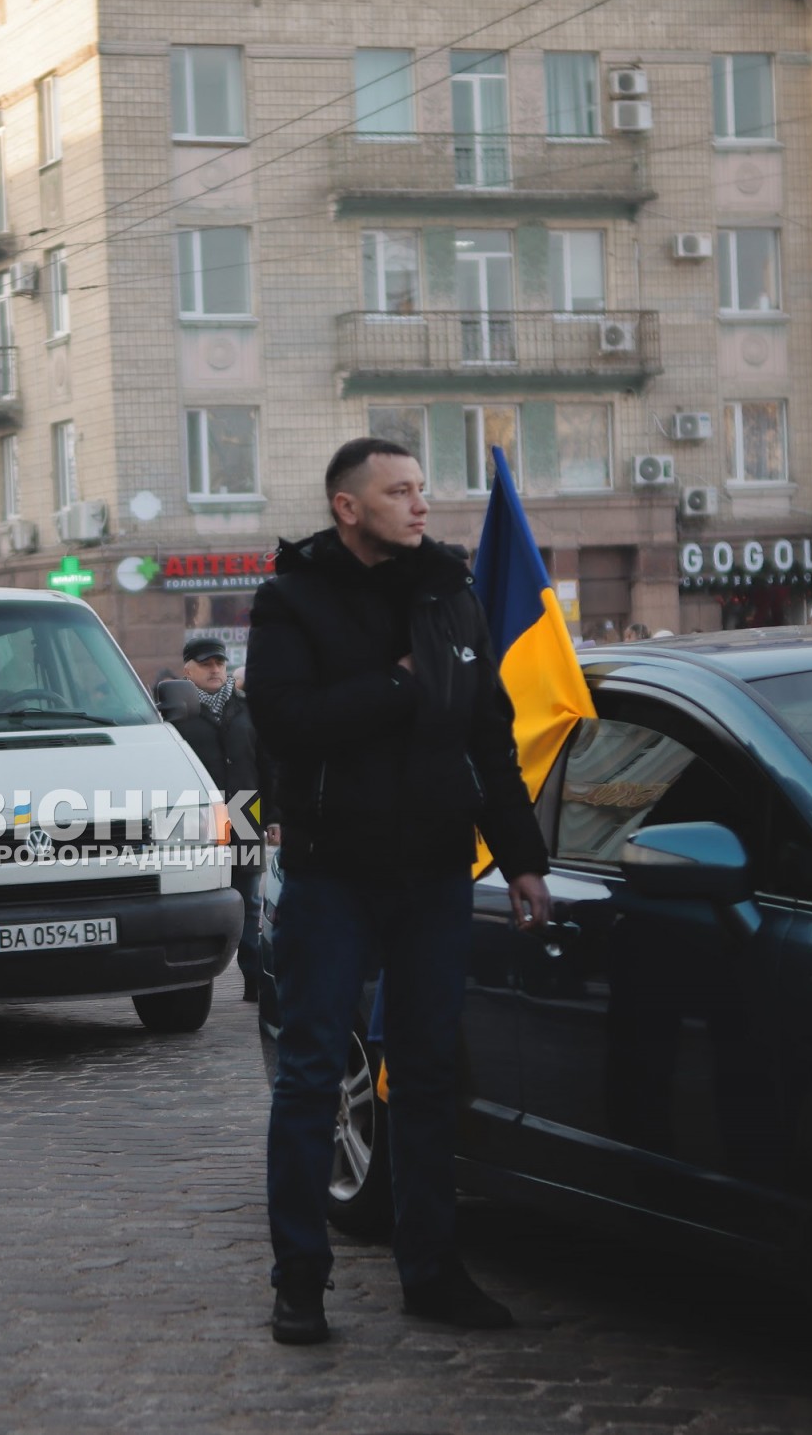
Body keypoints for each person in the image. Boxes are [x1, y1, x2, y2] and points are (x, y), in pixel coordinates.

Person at [248, 437, 550, 1346]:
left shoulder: (449, 595)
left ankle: (434, 1271)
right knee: (310, 1080)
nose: (422, 505)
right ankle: (301, 1279)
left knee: (424, 1079)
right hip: (331, 874)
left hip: (433, 875)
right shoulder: (290, 599)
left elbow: (489, 740)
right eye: (401, 491)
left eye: (423, 489)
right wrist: (398, 684)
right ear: (349, 506)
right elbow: (287, 723)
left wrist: (523, 857)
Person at [167, 636, 278, 1002]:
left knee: (248, 903)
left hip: (246, 811)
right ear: (188, 670)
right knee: (193, 903)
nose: (215, 669)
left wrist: (274, 816)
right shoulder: (173, 715)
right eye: (205, 663)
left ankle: (255, 982)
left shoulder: (247, 708)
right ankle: (190, 987)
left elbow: (267, 765)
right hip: (194, 818)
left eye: (219, 662)